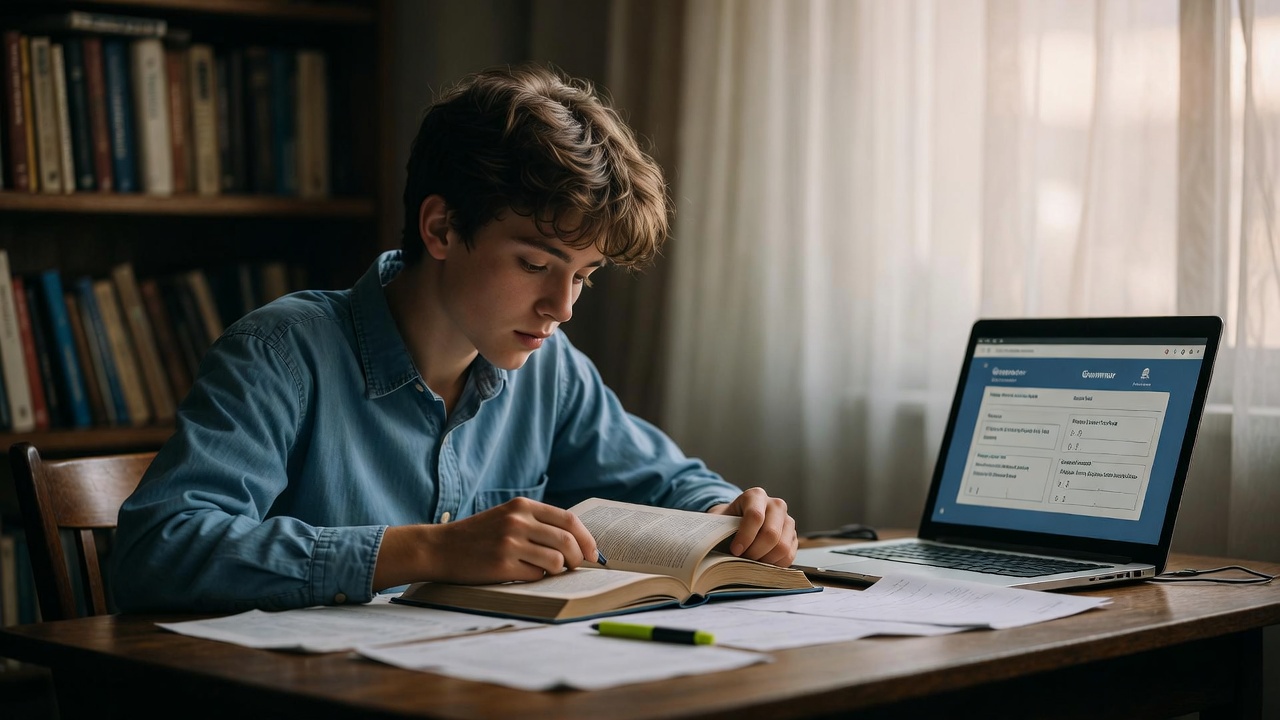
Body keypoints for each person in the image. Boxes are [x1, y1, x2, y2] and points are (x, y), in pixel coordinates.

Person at [111, 64, 797, 613]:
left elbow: (666, 481)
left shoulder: (548, 366)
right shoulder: (282, 352)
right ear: (440, 229)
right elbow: (159, 549)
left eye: (585, 276)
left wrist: (732, 513)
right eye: (535, 264)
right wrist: (428, 551)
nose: (561, 307)